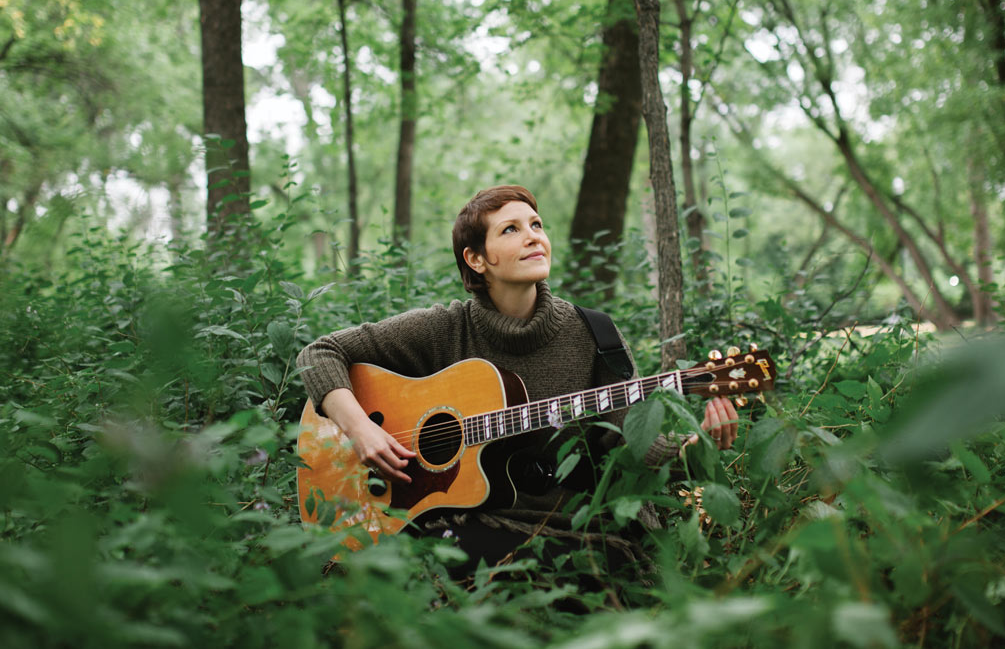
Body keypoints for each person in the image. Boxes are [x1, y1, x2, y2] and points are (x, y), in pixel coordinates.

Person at [297, 185, 737, 581]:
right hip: (472, 523)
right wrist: (361, 428)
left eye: (537, 225)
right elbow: (319, 354)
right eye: (511, 229)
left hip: (578, 526)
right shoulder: (444, 328)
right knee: (429, 563)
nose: (533, 236)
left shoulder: (595, 333)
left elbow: (634, 443)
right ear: (476, 258)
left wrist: (693, 449)